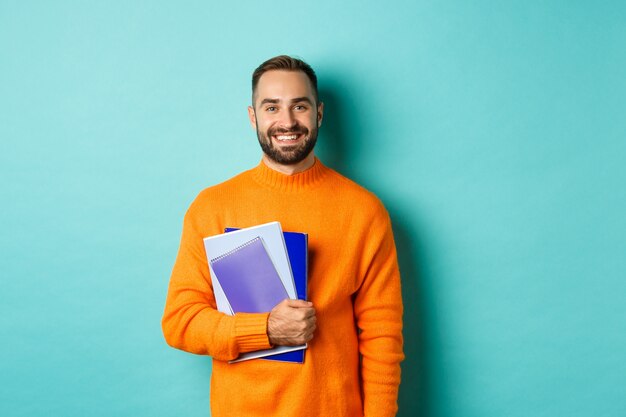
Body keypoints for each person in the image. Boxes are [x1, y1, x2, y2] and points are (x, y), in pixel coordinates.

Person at [162, 55, 404, 417]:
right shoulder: (212, 207)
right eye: (272, 107)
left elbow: (382, 338)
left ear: (319, 114)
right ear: (253, 117)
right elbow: (180, 321)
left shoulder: (364, 211)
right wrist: (266, 328)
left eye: (300, 106)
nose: (287, 121)